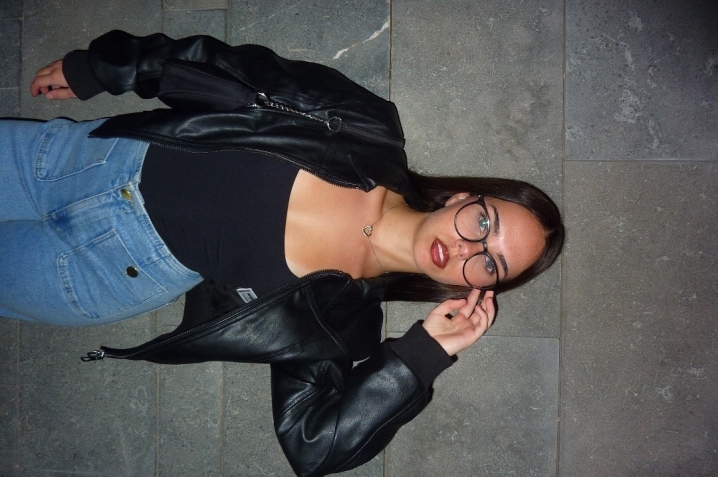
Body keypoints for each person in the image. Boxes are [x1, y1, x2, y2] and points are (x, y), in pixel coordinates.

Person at [2, 31, 564, 477]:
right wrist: (102, 68)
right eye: (483, 223)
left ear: (476, 286)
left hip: (100, 274)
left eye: (489, 262)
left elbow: (313, 445)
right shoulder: (365, 126)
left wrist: (423, 355)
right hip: (84, 159)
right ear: (464, 198)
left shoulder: (341, 321)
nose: (467, 246)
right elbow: (221, 66)